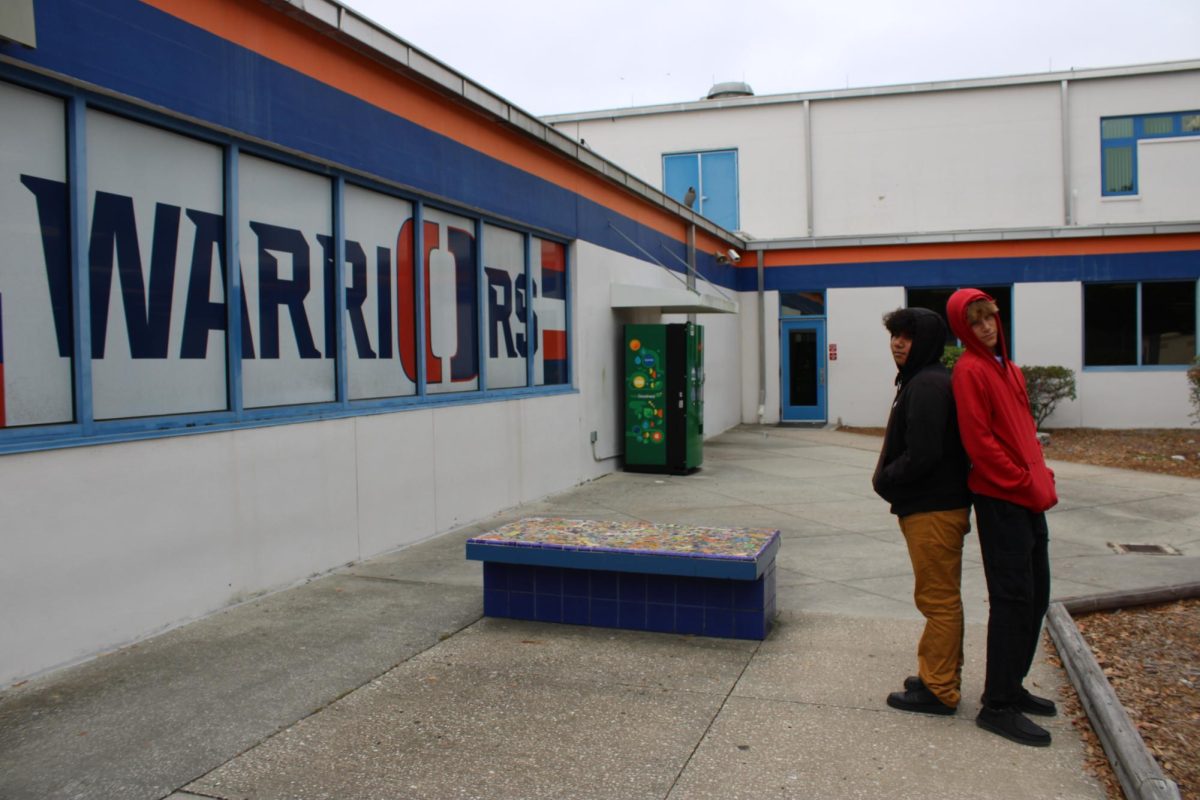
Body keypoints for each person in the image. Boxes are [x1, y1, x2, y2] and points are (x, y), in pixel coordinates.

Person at [946, 288, 1059, 748]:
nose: (987, 328)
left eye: (989, 317)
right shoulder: (970, 371)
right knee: (1012, 598)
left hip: (1028, 497)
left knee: (1036, 595)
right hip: (1001, 500)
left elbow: (1024, 434)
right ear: (963, 329)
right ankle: (997, 705)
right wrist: (1021, 479)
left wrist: (1040, 474)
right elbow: (980, 444)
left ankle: (1011, 684)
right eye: (975, 323)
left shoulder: (1008, 369)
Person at [872, 307, 971, 716]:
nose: (898, 342)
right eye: (895, 334)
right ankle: (938, 672)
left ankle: (940, 689)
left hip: (933, 509)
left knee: (938, 600)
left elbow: (925, 455)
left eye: (907, 336)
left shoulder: (928, 384)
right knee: (940, 597)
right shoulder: (923, 379)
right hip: (935, 507)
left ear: (926, 341)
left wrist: (886, 478)